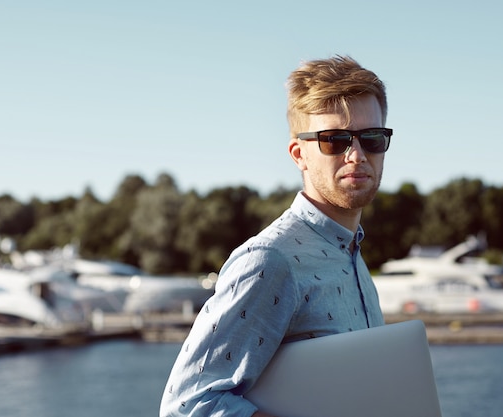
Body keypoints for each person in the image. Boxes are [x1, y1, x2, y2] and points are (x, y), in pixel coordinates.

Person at [160, 55, 392, 417]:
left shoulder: (351, 254)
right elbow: (188, 405)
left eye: (372, 138)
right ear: (299, 154)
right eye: (335, 140)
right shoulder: (270, 260)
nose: (357, 155)